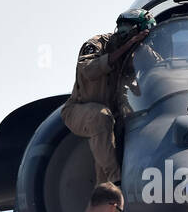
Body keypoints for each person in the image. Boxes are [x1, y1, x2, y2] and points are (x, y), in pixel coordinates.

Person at [63, 9, 155, 184]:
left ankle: (111, 195)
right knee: (100, 116)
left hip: (113, 114)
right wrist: (127, 47)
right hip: (79, 110)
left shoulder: (139, 52)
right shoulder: (97, 44)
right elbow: (89, 70)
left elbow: (159, 71)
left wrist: (145, 52)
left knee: (105, 183)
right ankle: (117, 179)